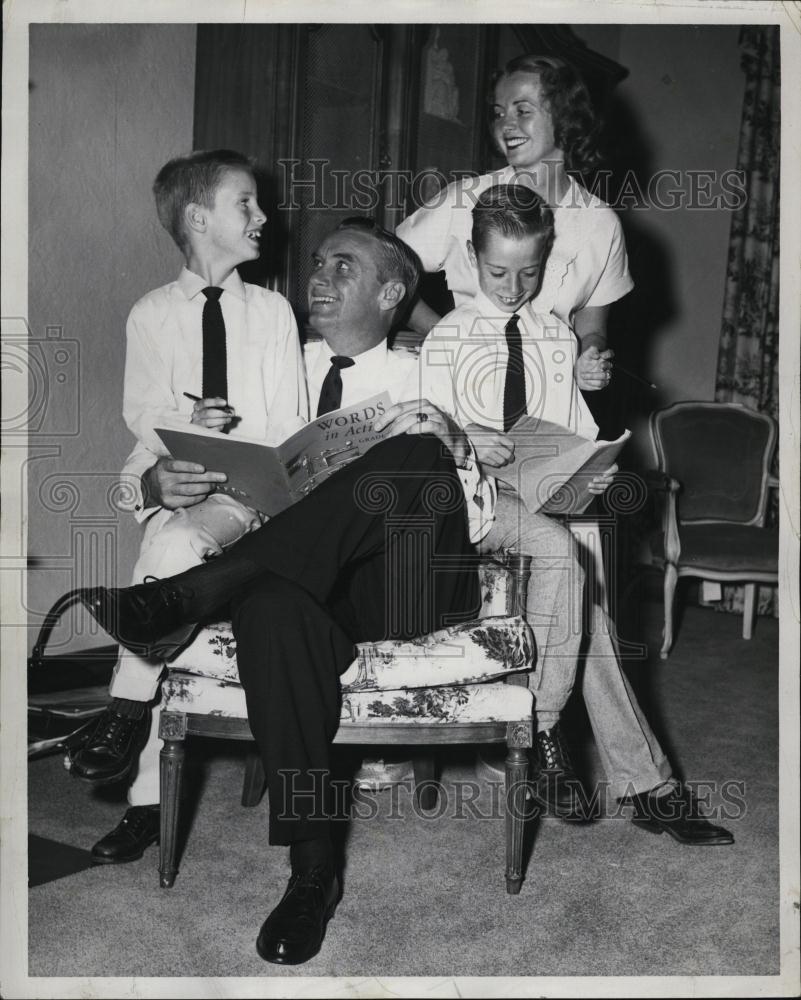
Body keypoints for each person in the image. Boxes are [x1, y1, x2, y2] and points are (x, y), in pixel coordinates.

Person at [65, 220, 486, 965]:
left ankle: (189, 596)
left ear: (391, 292)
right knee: (269, 607)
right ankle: (313, 869)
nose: (317, 278)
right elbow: (174, 449)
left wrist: (450, 445)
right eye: (317, 263)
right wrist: (157, 480)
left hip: (412, 584)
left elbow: (482, 518)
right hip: (303, 582)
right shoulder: (277, 363)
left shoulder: (437, 368)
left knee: (413, 450)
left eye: (342, 267)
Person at [387, 184, 734, 841]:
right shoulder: (446, 337)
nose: (513, 286)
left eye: (528, 272)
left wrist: (589, 464)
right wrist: (464, 437)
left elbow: (569, 439)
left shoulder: (555, 338)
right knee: (580, 594)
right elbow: (418, 447)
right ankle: (619, 773)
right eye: (496, 272)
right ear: (469, 257)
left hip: (547, 504)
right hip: (473, 510)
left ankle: (598, 768)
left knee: (589, 609)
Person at [68, 149, 308, 863]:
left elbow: (290, 425)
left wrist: (239, 455)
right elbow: (140, 419)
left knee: (164, 560)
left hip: (252, 500)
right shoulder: (151, 314)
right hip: (181, 494)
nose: (264, 216)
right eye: (247, 203)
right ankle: (143, 787)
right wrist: (162, 471)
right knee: (167, 548)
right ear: (199, 218)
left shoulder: (271, 313)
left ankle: (124, 712)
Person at [396, 53, 624, 393]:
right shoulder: (464, 199)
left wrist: (591, 357)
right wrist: (444, 335)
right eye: (499, 113)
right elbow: (388, 266)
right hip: (464, 387)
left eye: (523, 111)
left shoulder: (601, 223)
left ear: (565, 117)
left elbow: (592, 325)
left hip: (550, 394)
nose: (506, 125)